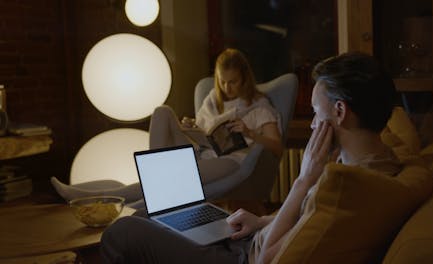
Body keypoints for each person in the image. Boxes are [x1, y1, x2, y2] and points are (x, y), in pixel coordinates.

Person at [99, 52, 403, 263]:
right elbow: (307, 218)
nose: (312, 123)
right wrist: (261, 220)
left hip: (242, 257)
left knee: (122, 232)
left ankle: (106, 199)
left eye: (314, 111)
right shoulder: (370, 162)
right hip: (248, 238)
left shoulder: (346, 187)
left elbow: (269, 259)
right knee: (145, 216)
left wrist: (303, 178)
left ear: (339, 111)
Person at [50, 48, 283, 206]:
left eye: (233, 82)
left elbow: (276, 147)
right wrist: (190, 127)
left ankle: (89, 197)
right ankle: (155, 184)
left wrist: (249, 132)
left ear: (245, 78)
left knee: (164, 177)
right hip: (201, 151)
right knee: (162, 112)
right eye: (222, 81)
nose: (227, 87)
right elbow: (203, 132)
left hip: (230, 160)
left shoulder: (258, 107)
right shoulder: (213, 99)